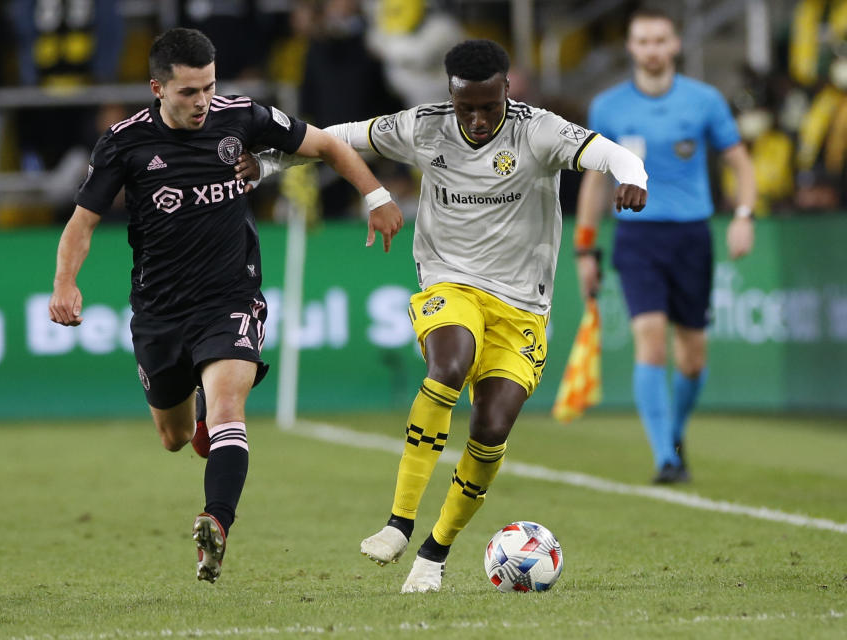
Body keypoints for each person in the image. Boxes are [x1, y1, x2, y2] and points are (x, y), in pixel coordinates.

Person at [245, 39, 648, 593]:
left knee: (493, 425)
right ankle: (398, 522)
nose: (479, 120)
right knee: (449, 364)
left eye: (490, 106)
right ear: (450, 95)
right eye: (467, 108)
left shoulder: (539, 131)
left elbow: (614, 154)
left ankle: (433, 553)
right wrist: (269, 161)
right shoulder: (423, 125)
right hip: (449, 282)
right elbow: (335, 139)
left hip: (523, 307)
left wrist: (636, 177)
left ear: (508, 90)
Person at [47, 27, 403, 584]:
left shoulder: (241, 117)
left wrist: (376, 196)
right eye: (188, 91)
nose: (202, 102)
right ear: (157, 88)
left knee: (229, 410)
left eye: (208, 87)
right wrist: (65, 282)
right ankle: (198, 416)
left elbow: (330, 145)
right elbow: (82, 223)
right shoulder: (124, 142)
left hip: (229, 296)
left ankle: (216, 523)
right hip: (160, 310)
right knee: (173, 437)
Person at [574, 8, 756, 484]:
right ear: (630, 48)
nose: (652, 49)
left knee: (692, 355)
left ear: (674, 45)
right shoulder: (608, 107)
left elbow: (741, 163)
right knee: (650, 339)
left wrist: (743, 215)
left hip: (692, 235)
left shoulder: (705, 101)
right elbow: (594, 184)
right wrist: (584, 247)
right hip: (636, 236)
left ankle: (675, 435)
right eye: (642, 41)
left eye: (660, 40)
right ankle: (665, 459)